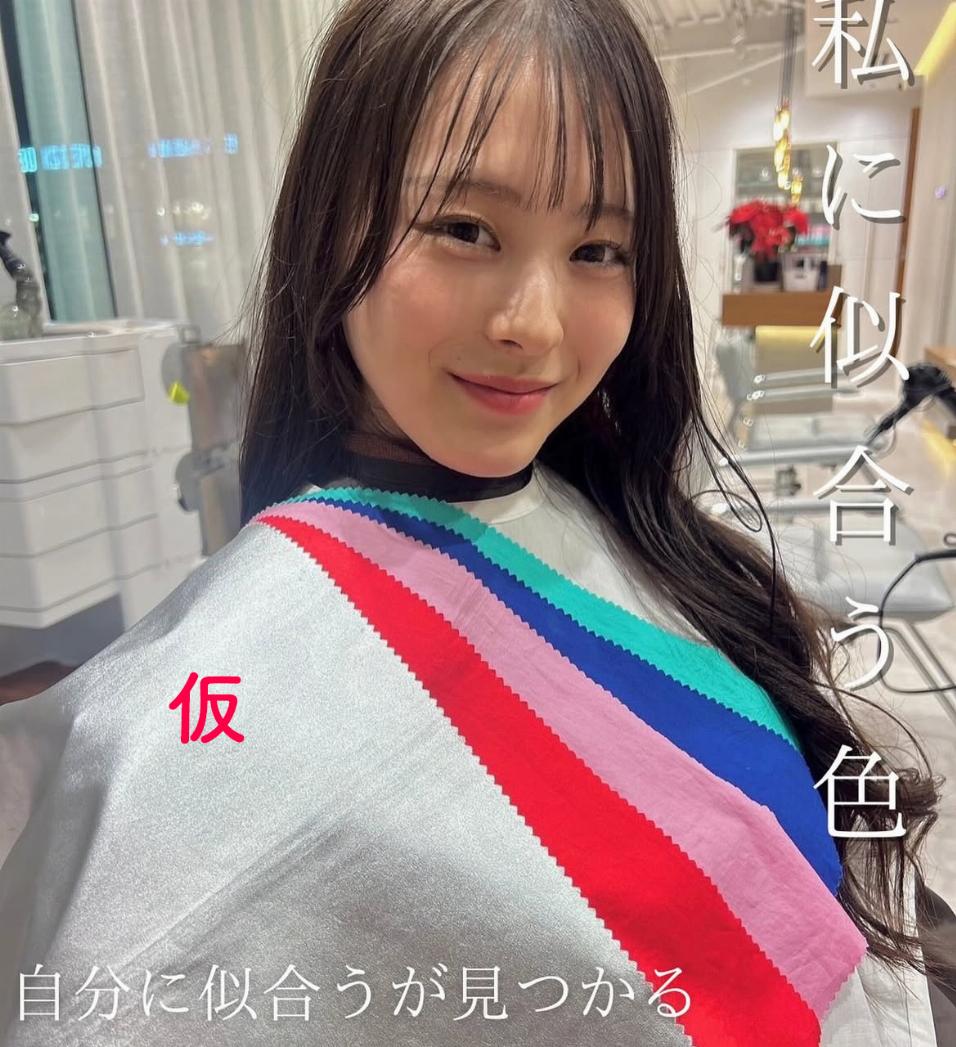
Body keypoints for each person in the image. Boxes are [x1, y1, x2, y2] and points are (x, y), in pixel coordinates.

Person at [0, 0, 950, 1043]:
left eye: (598, 249)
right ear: (330, 227)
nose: (532, 325)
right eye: (464, 230)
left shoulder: (632, 522)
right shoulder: (171, 727)